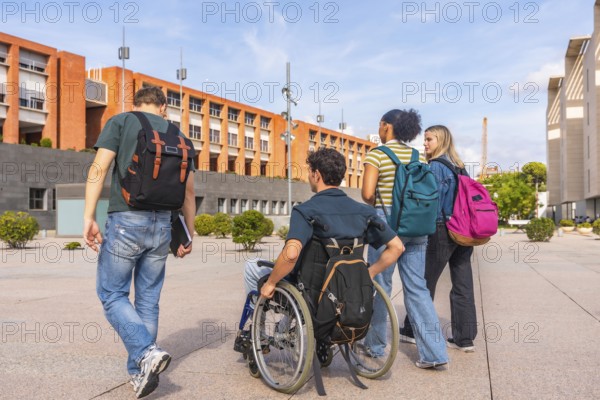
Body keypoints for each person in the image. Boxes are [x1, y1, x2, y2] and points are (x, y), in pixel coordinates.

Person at [83, 86, 196, 398]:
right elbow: (188, 192)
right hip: (163, 226)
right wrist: (188, 233)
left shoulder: (120, 122)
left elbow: (99, 168)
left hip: (127, 219)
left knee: (111, 293)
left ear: (138, 104)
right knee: (148, 300)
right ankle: (140, 372)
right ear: (161, 106)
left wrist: (88, 216)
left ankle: (146, 353)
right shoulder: (180, 136)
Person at [243, 147, 404, 316]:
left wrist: (271, 282)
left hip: (308, 295)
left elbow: (291, 255)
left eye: (309, 172)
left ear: (316, 175)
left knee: (252, 266)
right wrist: (369, 273)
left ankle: (255, 321)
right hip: (348, 291)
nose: (309, 177)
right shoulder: (364, 211)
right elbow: (397, 247)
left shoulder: (305, 211)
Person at [361, 109, 449, 369]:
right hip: (417, 227)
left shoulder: (377, 154)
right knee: (417, 288)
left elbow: (367, 194)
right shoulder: (418, 156)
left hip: (386, 227)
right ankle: (434, 354)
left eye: (381, 124)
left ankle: (375, 346)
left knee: (380, 285)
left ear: (386, 126)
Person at [401, 124, 477, 352]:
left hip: (442, 229)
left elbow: (430, 203)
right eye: (425, 140)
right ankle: (465, 339)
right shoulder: (460, 167)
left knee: (424, 282)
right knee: (463, 284)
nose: (425, 144)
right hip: (463, 230)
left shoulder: (434, 167)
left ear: (441, 141)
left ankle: (413, 330)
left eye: (429, 139)